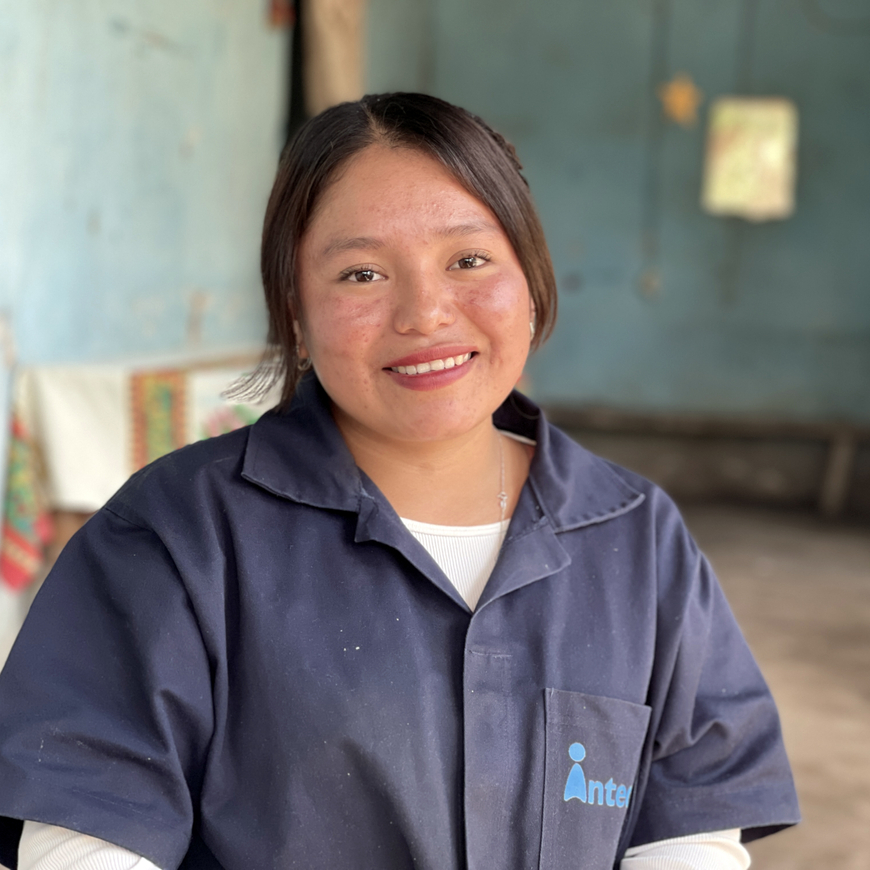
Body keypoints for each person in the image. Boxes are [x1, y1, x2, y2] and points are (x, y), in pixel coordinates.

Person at [0, 93, 798, 870]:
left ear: (531, 281)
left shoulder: (635, 536)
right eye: (360, 275)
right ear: (295, 312)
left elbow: (691, 824)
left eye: (469, 260)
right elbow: (83, 829)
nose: (424, 313)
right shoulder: (176, 537)